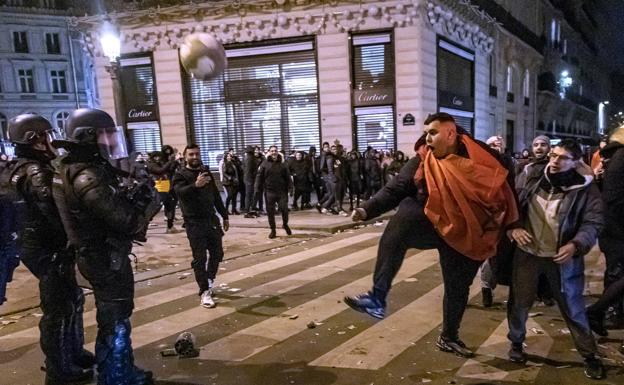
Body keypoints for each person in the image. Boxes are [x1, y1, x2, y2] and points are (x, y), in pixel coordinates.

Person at [345, 113, 518, 358]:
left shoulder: (482, 155)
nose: (427, 138)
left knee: (458, 287)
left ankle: (449, 337)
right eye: (425, 132)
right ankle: (377, 296)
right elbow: (396, 188)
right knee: (399, 226)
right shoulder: (423, 158)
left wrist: (513, 222)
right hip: (431, 221)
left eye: (432, 132)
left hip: (467, 229)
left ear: (450, 133)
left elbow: (504, 180)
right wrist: (366, 209)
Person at [52, 108, 159, 385]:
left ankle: (119, 369)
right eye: (106, 134)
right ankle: (115, 375)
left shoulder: (76, 168)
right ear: (89, 137)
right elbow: (127, 222)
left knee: (115, 316)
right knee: (115, 319)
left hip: (99, 254)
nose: (111, 141)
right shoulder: (87, 177)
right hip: (104, 257)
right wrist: (148, 203)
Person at [2, 114, 95, 385]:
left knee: (72, 299)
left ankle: (73, 353)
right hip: (47, 246)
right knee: (59, 307)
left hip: (34, 244)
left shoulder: (18, 167)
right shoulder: (36, 171)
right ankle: (59, 368)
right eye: (44, 135)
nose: (50, 140)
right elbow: (55, 210)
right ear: (35, 139)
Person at [506, 139, 605, 379]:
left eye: (562, 158)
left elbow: (593, 222)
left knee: (573, 307)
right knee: (519, 302)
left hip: (562, 259)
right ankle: (516, 343)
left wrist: (576, 245)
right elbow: (511, 206)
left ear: (575, 162)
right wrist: (513, 227)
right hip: (527, 254)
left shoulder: (585, 187)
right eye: (552, 155)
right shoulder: (532, 175)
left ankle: (589, 355)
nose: (554, 161)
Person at [173, 144, 229, 308]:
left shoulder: (206, 173)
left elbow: (215, 197)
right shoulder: (180, 175)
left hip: (211, 220)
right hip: (194, 222)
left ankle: (209, 280)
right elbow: (179, 192)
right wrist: (195, 186)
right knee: (200, 258)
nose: (195, 157)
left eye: (197, 154)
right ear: (185, 157)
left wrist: (224, 216)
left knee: (217, 253)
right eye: (191, 154)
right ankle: (204, 290)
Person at [586, 126, 624, 355]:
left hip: (613, 226)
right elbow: (616, 198)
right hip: (618, 227)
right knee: (616, 273)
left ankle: (601, 311)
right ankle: (599, 311)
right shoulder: (620, 157)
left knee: (616, 273)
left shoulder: (613, 156)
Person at [255, 145, 292, 239]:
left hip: (281, 191)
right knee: (270, 212)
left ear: (277, 152)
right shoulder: (264, 164)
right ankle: (273, 230)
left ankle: (285, 224)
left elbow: (288, 177)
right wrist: (257, 188)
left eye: (275, 151)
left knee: (284, 209)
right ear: (269, 152)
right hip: (269, 192)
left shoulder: (283, 163)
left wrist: (291, 188)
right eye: (272, 151)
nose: (274, 152)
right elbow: (259, 177)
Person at [147, 149, 180, 233]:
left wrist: (175, 162)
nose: (158, 158)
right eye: (156, 157)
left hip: (165, 187)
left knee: (170, 205)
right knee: (156, 207)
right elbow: (160, 170)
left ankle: (170, 226)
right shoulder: (151, 165)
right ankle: (144, 223)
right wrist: (170, 161)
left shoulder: (159, 163)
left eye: (159, 156)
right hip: (159, 188)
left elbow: (169, 170)